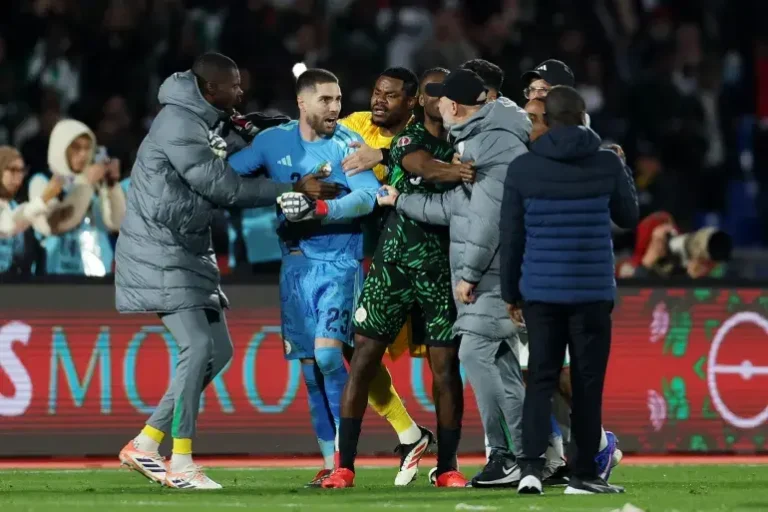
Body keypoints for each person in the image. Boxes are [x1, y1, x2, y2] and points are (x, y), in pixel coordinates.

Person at [116, 53, 332, 490]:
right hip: (160, 248)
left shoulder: (206, 119)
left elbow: (230, 150)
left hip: (188, 247)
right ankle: (181, 462)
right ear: (210, 88)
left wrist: (257, 131)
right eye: (233, 85)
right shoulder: (178, 123)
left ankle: (146, 442)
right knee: (197, 346)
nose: (240, 91)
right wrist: (289, 189)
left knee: (218, 349)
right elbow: (222, 186)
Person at [228, 68, 404, 488]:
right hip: (295, 266)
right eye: (326, 99)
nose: (335, 108)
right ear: (302, 102)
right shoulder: (272, 142)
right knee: (310, 370)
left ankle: (345, 459)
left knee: (327, 358)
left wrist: (322, 209)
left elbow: (370, 196)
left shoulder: (346, 142)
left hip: (340, 262)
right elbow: (226, 177)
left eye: (338, 99)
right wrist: (235, 147)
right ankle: (330, 463)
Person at [378, 68, 532, 489]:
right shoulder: (479, 137)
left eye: (442, 97)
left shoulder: (487, 142)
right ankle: (525, 454)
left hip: (491, 275)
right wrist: (401, 200)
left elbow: (487, 219)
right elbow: (456, 208)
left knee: (475, 355)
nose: (437, 103)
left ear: (455, 106)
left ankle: (507, 455)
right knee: (502, 366)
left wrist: (469, 274)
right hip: (494, 273)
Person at [321, 68, 474, 489]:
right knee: (363, 360)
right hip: (393, 265)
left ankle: (448, 467)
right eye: (432, 92)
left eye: (447, 93)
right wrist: (464, 172)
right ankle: (344, 467)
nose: (441, 99)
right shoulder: (408, 140)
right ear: (420, 101)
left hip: (443, 270)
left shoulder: (468, 144)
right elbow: (422, 166)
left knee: (446, 370)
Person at [501, 86, 638, 495]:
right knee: (587, 383)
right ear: (583, 117)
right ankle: (583, 475)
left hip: (541, 292)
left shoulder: (523, 167)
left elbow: (512, 236)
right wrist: (622, 168)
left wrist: (510, 293)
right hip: (591, 292)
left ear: (546, 120)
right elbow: (629, 215)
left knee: (540, 380)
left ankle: (530, 469)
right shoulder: (606, 162)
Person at [27, 119, 125, 276]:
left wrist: (112, 185)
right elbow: (55, 225)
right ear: (61, 147)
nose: (83, 154)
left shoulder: (94, 181)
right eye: (76, 148)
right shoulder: (43, 182)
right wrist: (85, 183)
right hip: (54, 278)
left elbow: (116, 223)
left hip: (98, 278)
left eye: (87, 148)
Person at [0, 146, 62, 273]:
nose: (18, 177)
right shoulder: (15, 213)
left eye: (22, 171)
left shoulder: (14, 207)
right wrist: (43, 199)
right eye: (13, 170)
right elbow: (9, 225)